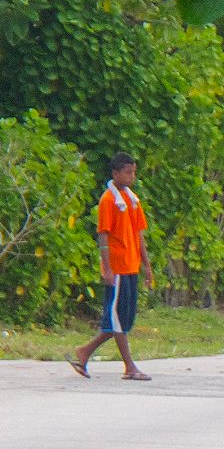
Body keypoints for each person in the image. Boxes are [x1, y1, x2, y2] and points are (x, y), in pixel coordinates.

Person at [71, 153, 152, 382]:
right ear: (115, 174)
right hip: (116, 267)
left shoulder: (132, 200)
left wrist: (147, 265)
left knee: (123, 320)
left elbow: (139, 235)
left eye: (133, 172)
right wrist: (106, 268)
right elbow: (103, 236)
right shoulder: (108, 200)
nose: (131, 176)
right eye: (127, 172)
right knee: (116, 319)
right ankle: (129, 366)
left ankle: (84, 352)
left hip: (131, 267)